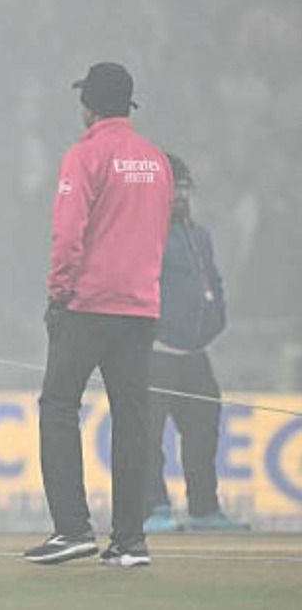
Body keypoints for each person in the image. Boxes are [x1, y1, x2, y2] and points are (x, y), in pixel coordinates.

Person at [23, 63, 173, 568]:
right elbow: (157, 231)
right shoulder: (156, 160)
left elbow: (68, 233)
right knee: (132, 420)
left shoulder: (85, 154)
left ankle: (72, 529)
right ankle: (131, 540)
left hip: (88, 305)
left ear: (88, 104)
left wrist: (58, 293)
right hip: (141, 306)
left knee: (59, 407)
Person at [143, 155, 248, 533]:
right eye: (174, 190)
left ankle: (204, 508)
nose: (181, 197)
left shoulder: (200, 235)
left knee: (203, 433)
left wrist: (216, 319)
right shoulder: (144, 235)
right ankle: (153, 509)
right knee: (147, 437)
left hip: (195, 355)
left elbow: (214, 282)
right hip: (155, 356)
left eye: (185, 189)